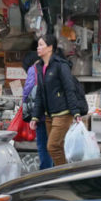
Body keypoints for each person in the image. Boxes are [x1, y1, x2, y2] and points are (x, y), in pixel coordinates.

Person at [30, 34, 83, 166]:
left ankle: (63, 174)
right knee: (58, 148)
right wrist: (35, 116)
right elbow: (40, 93)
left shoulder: (60, 65)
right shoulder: (39, 67)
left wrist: (75, 111)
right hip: (49, 115)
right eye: (38, 45)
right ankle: (65, 173)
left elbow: (69, 88)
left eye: (41, 45)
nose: (38, 48)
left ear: (50, 48)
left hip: (63, 113)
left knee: (52, 146)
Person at [22, 51, 52, 170]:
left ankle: (46, 174)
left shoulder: (33, 70)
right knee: (55, 145)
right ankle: (56, 173)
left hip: (42, 115)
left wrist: (28, 113)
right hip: (58, 114)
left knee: (44, 145)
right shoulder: (56, 66)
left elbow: (27, 92)